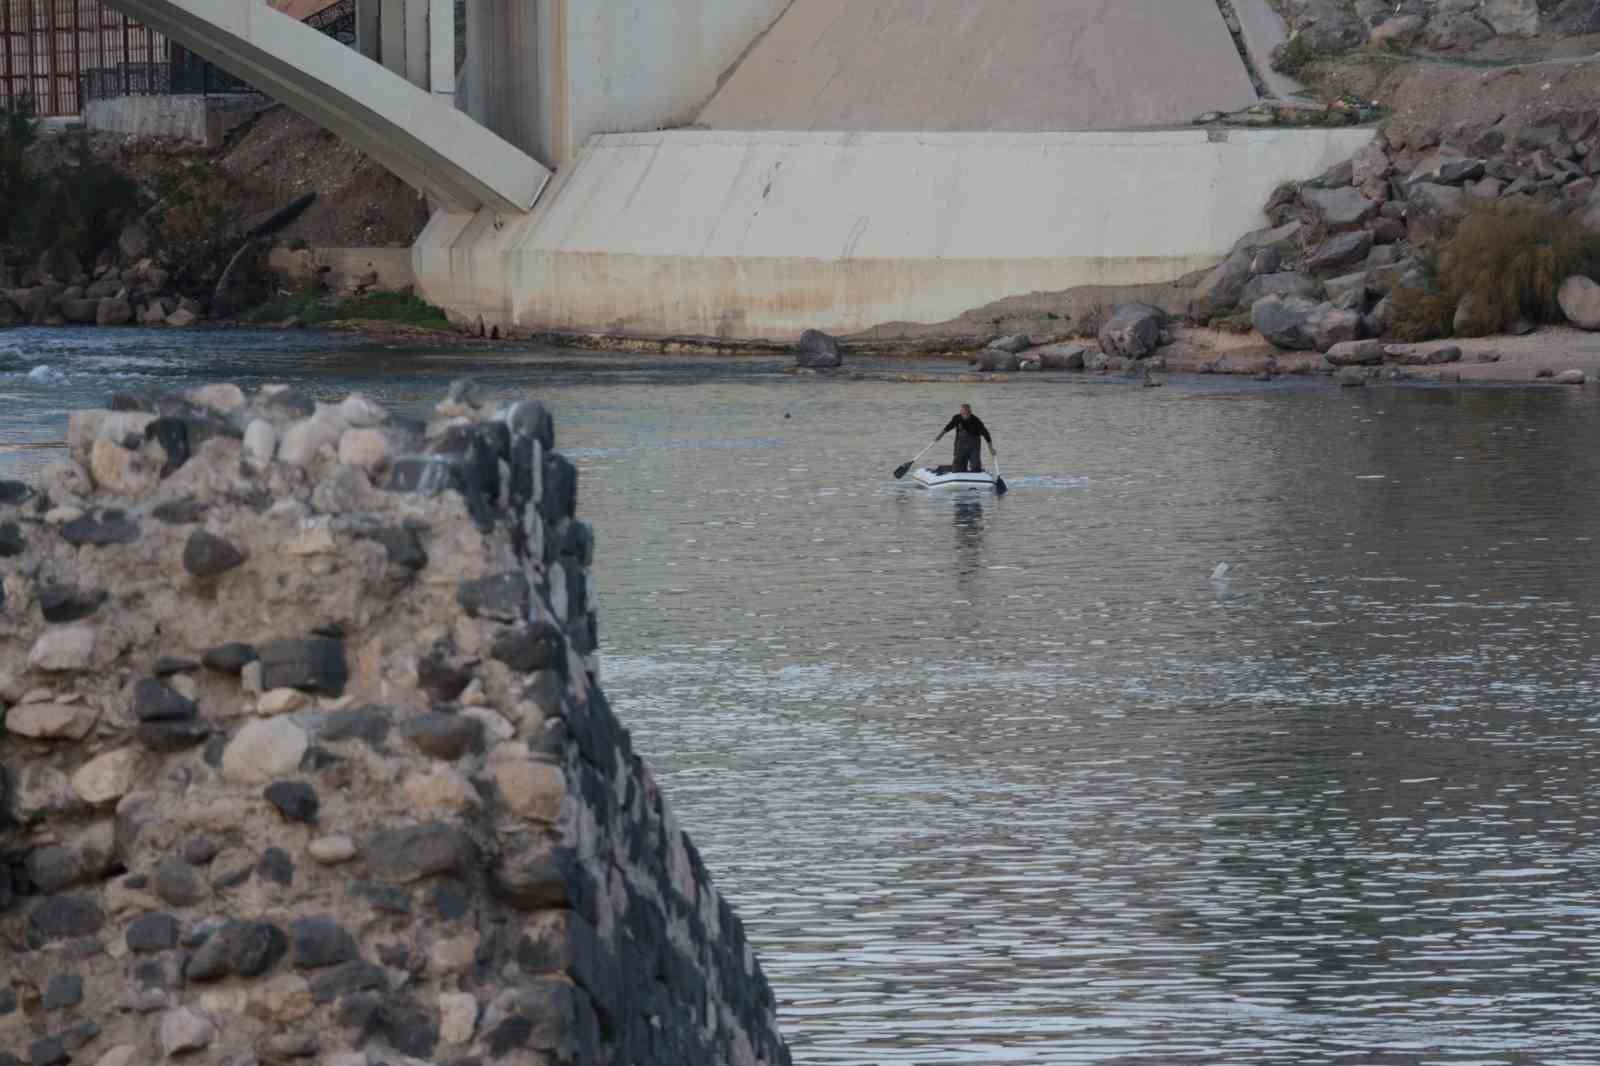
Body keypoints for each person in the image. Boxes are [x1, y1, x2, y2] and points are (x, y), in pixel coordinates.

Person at [935, 403, 994, 473]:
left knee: (976, 466)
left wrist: (991, 448)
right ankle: (952, 470)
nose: (965, 415)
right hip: (960, 445)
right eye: (963, 413)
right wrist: (939, 436)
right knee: (958, 467)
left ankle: (976, 476)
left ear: (970, 413)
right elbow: (948, 427)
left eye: (967, 414)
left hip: (974, 447)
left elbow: (986, 435)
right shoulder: (957, 418)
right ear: (960, 412)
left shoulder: (976, 421)